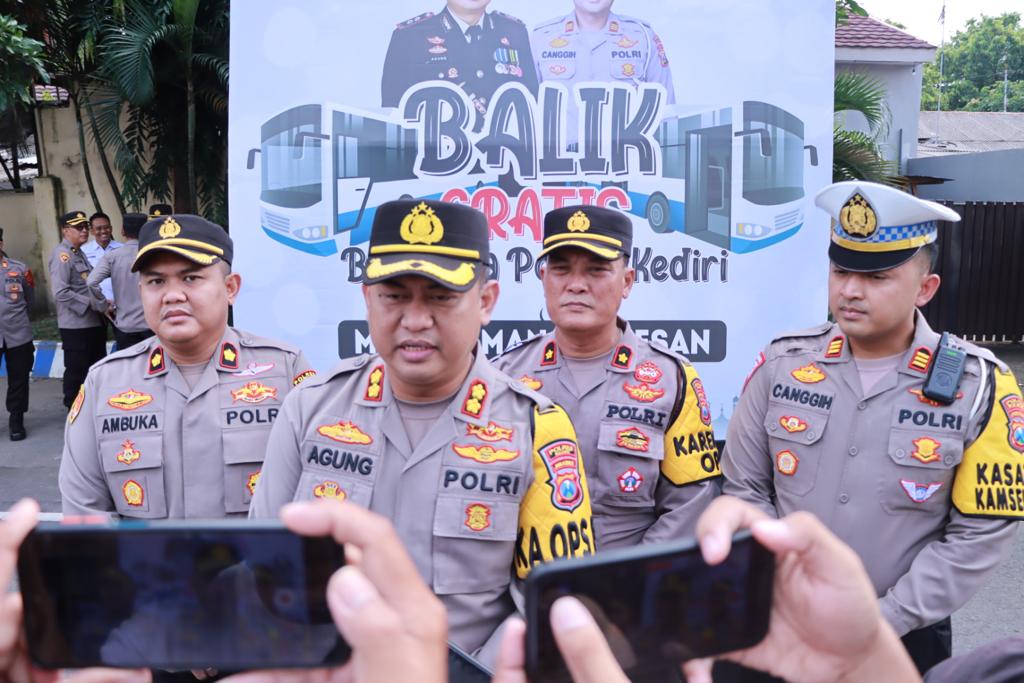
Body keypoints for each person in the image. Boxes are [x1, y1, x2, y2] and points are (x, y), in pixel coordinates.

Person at [250, 199, 595, 662]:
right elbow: (265, 569)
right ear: (367, 298)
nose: (415, 320)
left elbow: (552, 598)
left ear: (486, 301)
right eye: (394, 296)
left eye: (440, 296)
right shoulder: (309, 409)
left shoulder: (536, 427)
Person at [721, 181, 1024, 674]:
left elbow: (980, 532)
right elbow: (744, 487)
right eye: (841, 270)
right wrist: (781, 584)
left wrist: (883, 619)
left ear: (925, 288)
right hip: (778, 621)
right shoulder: (783, 364)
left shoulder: (980, 385)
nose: (850, 291)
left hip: (902, 639)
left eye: (877, 276)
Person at [59, 214, 317, 521]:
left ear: (230, 288)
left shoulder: (285, 371)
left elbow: (316, 502)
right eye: (156, 281)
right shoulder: (105, 382)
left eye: (191, 278)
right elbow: (85, 517)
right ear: (141, 291)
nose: (172, 295)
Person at [495, 205, 720, 549]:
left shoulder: (671, 380)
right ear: (543, 277)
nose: (576, 285)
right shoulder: (504, 376)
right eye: (561, 269)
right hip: (529, 579)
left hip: (632, 576)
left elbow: (691, 505)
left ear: (627, 281)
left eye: (596, 270)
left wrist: (629, 576)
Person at [381, 0, 539, 116]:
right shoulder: (410, 36)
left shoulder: (515, 32)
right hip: (437, 150)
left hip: (503, 150)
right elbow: (393, 113)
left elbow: (532, 103)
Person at [532, 0, 674, 99]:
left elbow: (667, 111)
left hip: (626, 136)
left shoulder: (644, 37)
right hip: (559, 137)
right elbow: (526, 107)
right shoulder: (541, 39)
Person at [48, 210, 108, 409]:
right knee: (77, 371)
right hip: (76, 325)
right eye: (78, 227)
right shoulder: (62, 256)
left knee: (94, 369)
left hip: (93, 322)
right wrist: (92, 303)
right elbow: (61, 292)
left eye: (85, 227)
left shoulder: (77, 252)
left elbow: (86, 285)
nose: (84, 231)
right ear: (66, 231)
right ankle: (73, 411)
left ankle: (91, 410)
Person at [87, 213, 153, 350]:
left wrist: (103, 306)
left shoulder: (112, 256)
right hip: (151, 324)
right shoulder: (154, 254)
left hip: (125, 326)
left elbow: (91, 282)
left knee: (128, 363)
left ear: (122, 231)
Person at [0, 227, 34, 441]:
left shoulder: (20, 269)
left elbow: (30, 300)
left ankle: (16, 420)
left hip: (18, 333)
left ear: (1, 244)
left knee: (19, 379)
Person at [81, 212, 123, 309]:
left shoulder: (122, 248)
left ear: (111, 228)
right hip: (98, 305)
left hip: (122, 303)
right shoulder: (84, 251)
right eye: (98, 228)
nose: (103, 231)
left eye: (106, 227)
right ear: (91, 231)